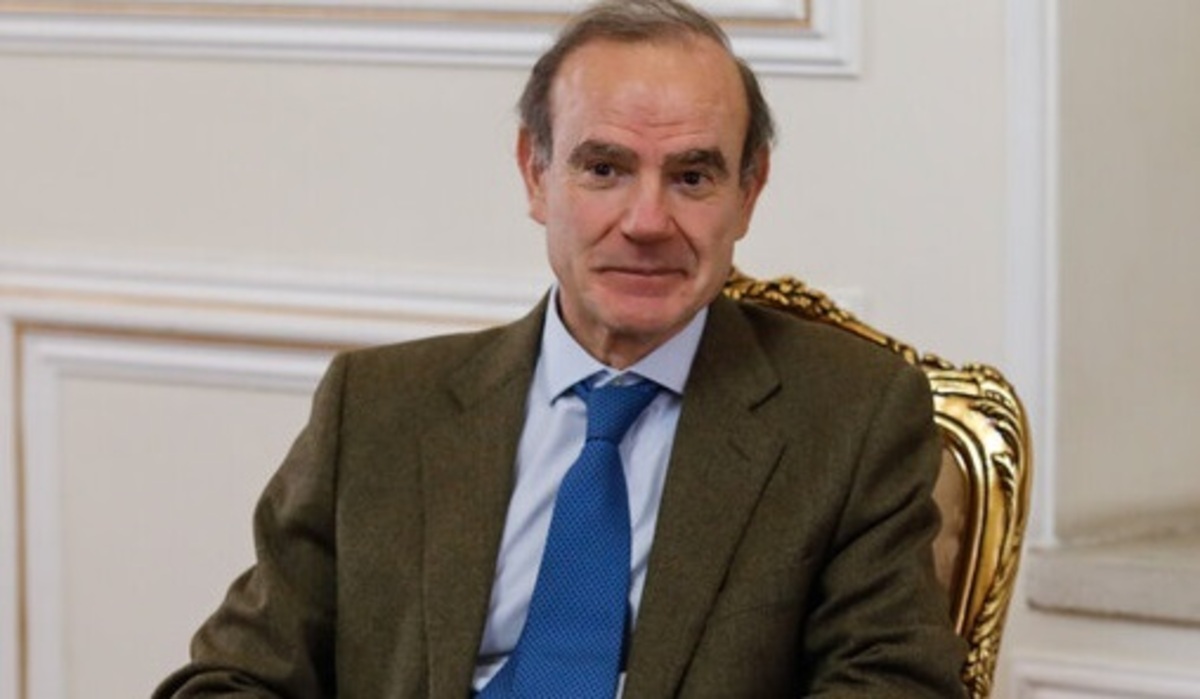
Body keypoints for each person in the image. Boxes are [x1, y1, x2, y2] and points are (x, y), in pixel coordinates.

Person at [154, 0, 968, 696]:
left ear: (748, 192)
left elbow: (894, 684)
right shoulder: (376, 407)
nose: (646, 222)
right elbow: (232, 676)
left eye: (692, 177)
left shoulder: (850, 414)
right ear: (535, 173)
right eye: (604, 168)